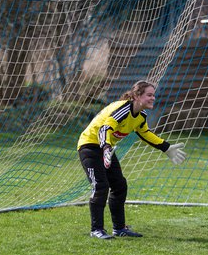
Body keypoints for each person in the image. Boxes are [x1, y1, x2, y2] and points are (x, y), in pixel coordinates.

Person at [77, 80, 186, 240]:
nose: (153, 98)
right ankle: (96, 229)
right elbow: (105, 128)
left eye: (153, 95)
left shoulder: (140, 116)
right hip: (90, 146)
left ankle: (119, 228)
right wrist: (106, 148)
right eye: (149, 95)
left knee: (119, 185)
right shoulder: (123, 109)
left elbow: (145, 134)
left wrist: (166, 147)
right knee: (100, 186)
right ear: (136, 95)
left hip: (106, 148)